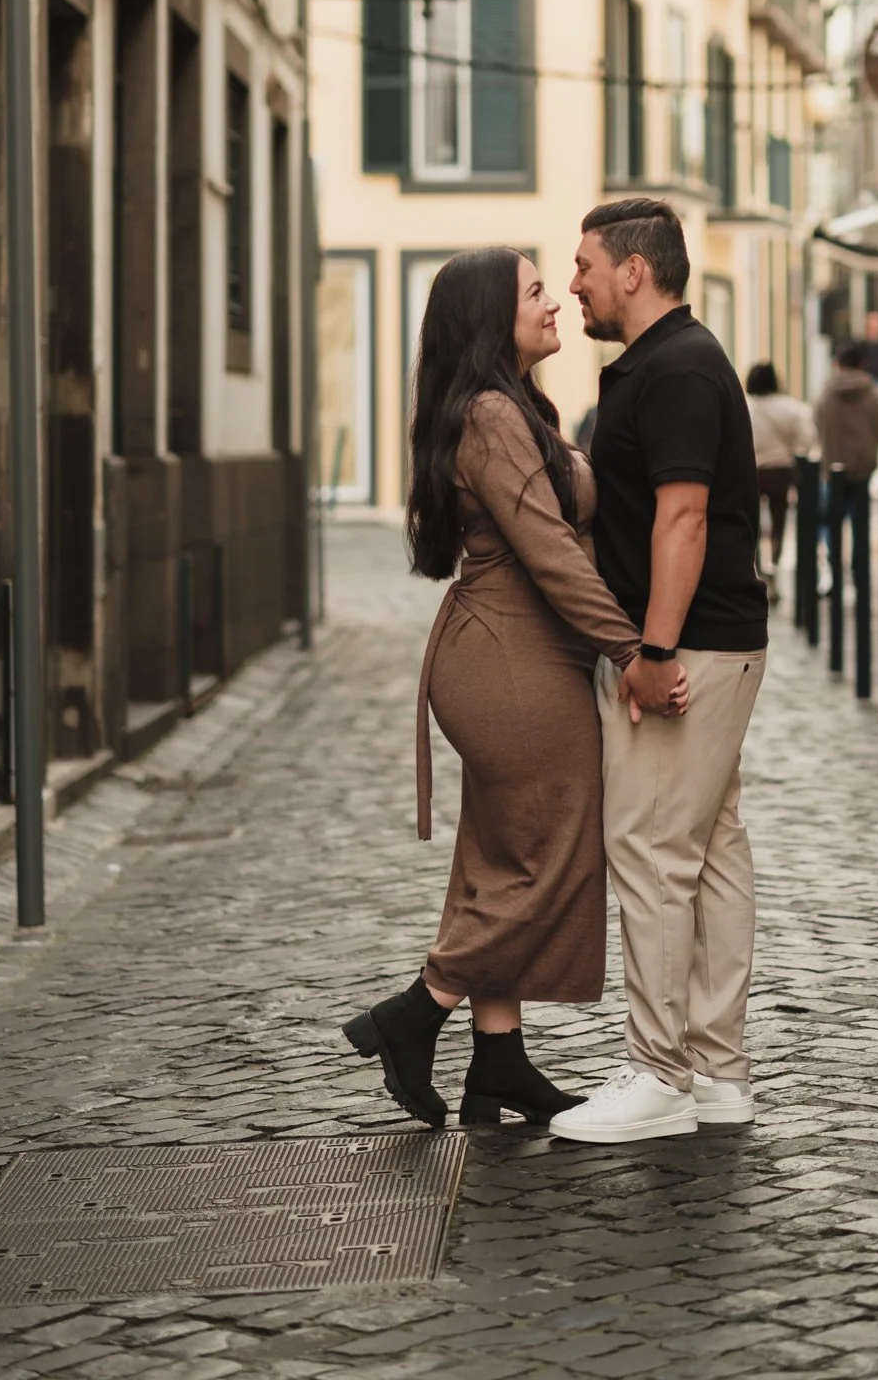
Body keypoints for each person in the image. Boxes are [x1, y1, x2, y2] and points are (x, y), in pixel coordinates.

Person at [342, 248, 685, 1130]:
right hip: (510, 662)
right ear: (492, 318)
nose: (555, 301)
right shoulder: (493, 416)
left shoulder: (515, 406)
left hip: (510, 655)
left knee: (499, 859)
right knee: (553, 851)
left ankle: (498, 1062)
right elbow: (550, 553)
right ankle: (417, 1009)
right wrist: (632, 651)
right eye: (535, 291)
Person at [551, 198, 770, 1145]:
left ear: (633, 271)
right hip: (714, 639)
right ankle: (714, 1073)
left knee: (648, 851)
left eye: (585, 266)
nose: (575, 284)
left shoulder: (675, 366)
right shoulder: (671, 360)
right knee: (709, 852)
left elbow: (683, 516)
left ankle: (660, 1074)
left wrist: (653, 651)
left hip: (691, 646)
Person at [814, 343, 878, 592]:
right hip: (862, 468)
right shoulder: (872, 393)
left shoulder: (825, 393)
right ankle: (861, 579)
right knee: (861, 525)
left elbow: (817, 426)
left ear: (837, 364)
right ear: (862, 364)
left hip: (832, 468)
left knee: (832, 523)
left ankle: (835, 574)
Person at [744, 361, 816, 594]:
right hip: (780, 470)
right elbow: (806, 439)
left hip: (750, 471)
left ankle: (756, 569)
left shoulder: (744, 406)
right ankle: (774, 563)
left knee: (751, 523)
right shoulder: (790, 407)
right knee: (779, 520)